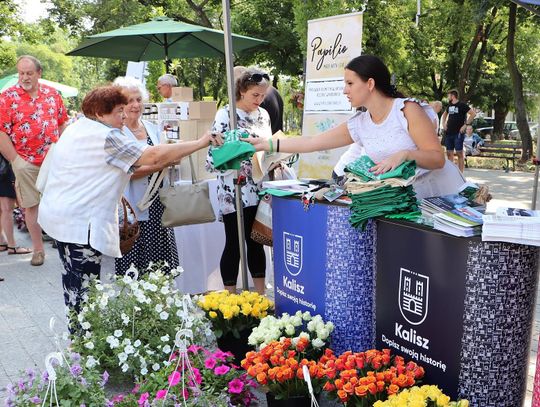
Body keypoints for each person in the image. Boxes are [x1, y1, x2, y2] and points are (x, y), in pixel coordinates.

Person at [38, 85, 216, 314]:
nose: (124, 115)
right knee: (85, 288)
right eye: (119, 110)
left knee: (74, 284)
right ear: (100, 113)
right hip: (80, 225)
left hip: (62, 218)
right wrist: (201, 142)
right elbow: (152, 155)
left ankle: (78, 337)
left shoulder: (78, 127)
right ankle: (81, 341)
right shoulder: (106, 136)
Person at [243, 55, 466, 199]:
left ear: (370, 84)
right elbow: (312, 142)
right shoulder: (360, 123)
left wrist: (406, 154)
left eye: (350, 83)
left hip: (437, 197)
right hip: (398, 202)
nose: (344, 90)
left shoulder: (406, 110)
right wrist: (266, 144)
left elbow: (437, 159)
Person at [206, 68, 271, 295]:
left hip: (259, 184)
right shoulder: (226, 115)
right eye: (255, 95)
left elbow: (269, 145)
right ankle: (229, 298)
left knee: (256, 240)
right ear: (242, 91)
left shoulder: (264, 115)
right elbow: (213, 154)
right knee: (234, 241)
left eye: (263, 96)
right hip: (234, 186)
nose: (259, 100)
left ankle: (261, 295)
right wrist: (242, 148)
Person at [0, 55, 68, 266]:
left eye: (29, 73)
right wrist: (15, 160)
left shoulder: (52, 94)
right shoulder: (7, 97)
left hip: (52, 160)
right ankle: (38, 250)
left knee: (58, 203)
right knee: (32, 206)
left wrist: (62, 150)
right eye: (21, 73)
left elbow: (62, 123)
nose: (24, 77)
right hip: (25, 161)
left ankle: (65, 245)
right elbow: (1, 132)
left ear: (39, 73)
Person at [112, 76, 179, 275]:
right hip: (132, 207)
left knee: (160, 263)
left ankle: (161, 301)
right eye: (129, 100)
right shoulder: (118, 133)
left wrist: (169, 158)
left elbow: (164, 157)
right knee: (135, 263)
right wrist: (159, 163)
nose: (135, 105)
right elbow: (127, 173)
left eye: (139, 100)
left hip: (158, 203)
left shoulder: (151, 127)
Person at [0, 156, 31, 256]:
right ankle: (12, 246)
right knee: (7, 209)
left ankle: (1, 241)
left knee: (2, 209)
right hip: (4, 170)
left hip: (3, 169)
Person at [440, 89, 476, 173]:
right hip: (449, 133)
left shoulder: (462, 105)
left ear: (453, 96)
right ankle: (451, 173)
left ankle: (461, 173)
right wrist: (443, 124)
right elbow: (444, 114)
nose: (447, 97)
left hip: (458, 133)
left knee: (459, 153)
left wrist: (465, 125)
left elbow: (473, 114)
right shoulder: (449, 106)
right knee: (449, 153)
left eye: (448, 95)